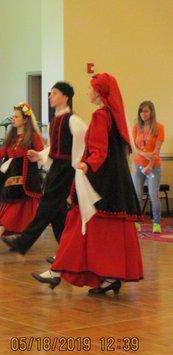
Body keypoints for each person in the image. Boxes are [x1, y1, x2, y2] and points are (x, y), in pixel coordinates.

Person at [32, 73, 143, 295]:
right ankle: (108, 276)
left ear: (100, 92)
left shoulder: (101, 115)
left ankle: (58, 271)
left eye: (91, 88)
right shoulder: (112, 115)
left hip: (97, 181)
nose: (88, 92)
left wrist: (87, 165)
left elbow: (99, 150)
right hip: (111, 182)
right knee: (102, 231)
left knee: (77, 224)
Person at [1, 82, 87, 255]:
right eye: (51, 94)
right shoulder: (55, 120)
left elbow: (83, 144)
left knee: (46, 206)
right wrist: (40, 155)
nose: (50, 97)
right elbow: (55, 148)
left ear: (65, 97)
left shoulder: (74, 120)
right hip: (56, 168)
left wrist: (80, 167)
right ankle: (68, 251)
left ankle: (23, 242)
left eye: (54, 93)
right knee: (57, 213)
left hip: (65, 170)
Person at [0, 103, 44, 249]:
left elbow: (42, 153)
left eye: (16, 116)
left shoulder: (33, 136)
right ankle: (19, 240)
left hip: (25, 181)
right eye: (13, 116)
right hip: (11, 179)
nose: (13, 119)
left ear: (25, 119)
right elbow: (1, 153)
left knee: (16, 212)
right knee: (11, 210)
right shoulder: (11, 137)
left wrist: (35, 155)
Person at [131, 101, 165, 233]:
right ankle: (137, 221)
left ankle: (156, 223)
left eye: (146, 111)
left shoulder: (159, 127)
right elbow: (134, 148)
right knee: (137, 195)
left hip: (153, 166)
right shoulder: (136, 127)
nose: (143, 114)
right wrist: (144, 154)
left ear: (151, 112)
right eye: (141, 111)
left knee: (153, 195)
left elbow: (156, 150)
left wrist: (150, 165)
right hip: (138, 165)